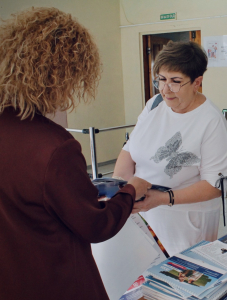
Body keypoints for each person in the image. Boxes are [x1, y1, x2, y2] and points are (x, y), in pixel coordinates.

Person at [0, 7, 150, 300]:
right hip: (57, 279)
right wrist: (131, 190)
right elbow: (95, 225)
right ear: (64, 76)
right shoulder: (55, 147)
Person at [113, 41, 227, 256]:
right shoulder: (154, 104)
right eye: (162, 79)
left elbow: (215, 185)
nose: (166, 89)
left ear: (197, 82)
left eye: (175, 82)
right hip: (142, 212)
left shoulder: (211, 121)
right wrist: (122, 190)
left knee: (182, 277)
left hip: (184, 219)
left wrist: (161, 198)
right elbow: (129, 150)